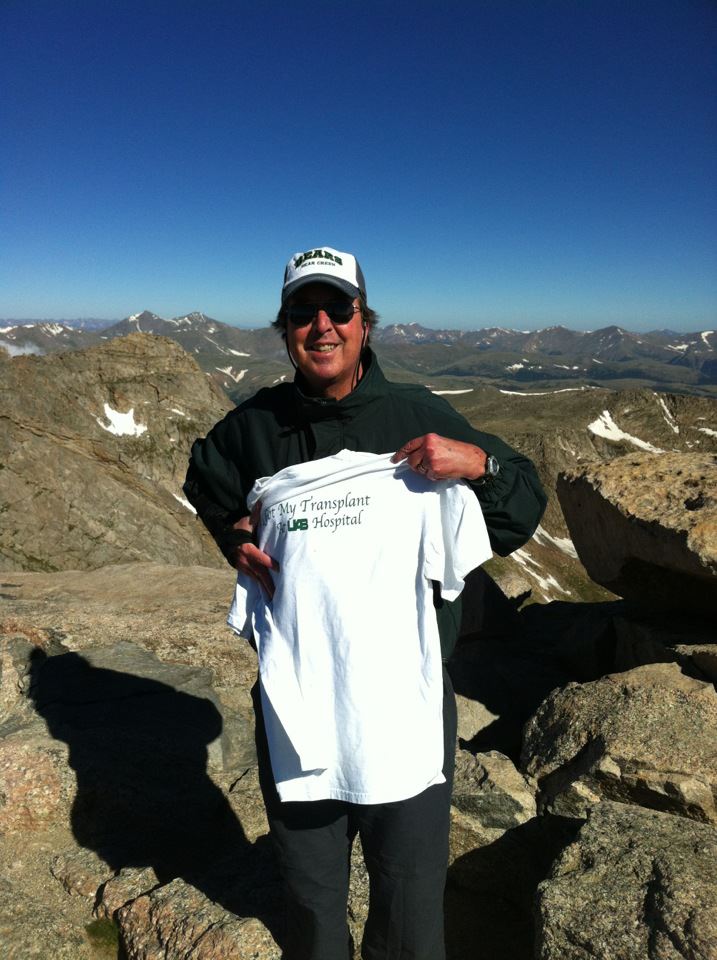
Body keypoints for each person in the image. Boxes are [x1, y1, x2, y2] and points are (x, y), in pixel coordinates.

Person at [183, 246, 547, 960]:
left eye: (338, 309)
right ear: (285, 327)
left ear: (364, 322)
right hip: (299, 702)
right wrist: (234, 537)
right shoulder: (254, 427)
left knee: (409, 896)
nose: (322, 326)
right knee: (311, 893)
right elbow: (207, 482)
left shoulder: (416, 417)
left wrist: (479, 465)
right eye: (302, 312)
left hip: (403, 705)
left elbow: (517, 511)